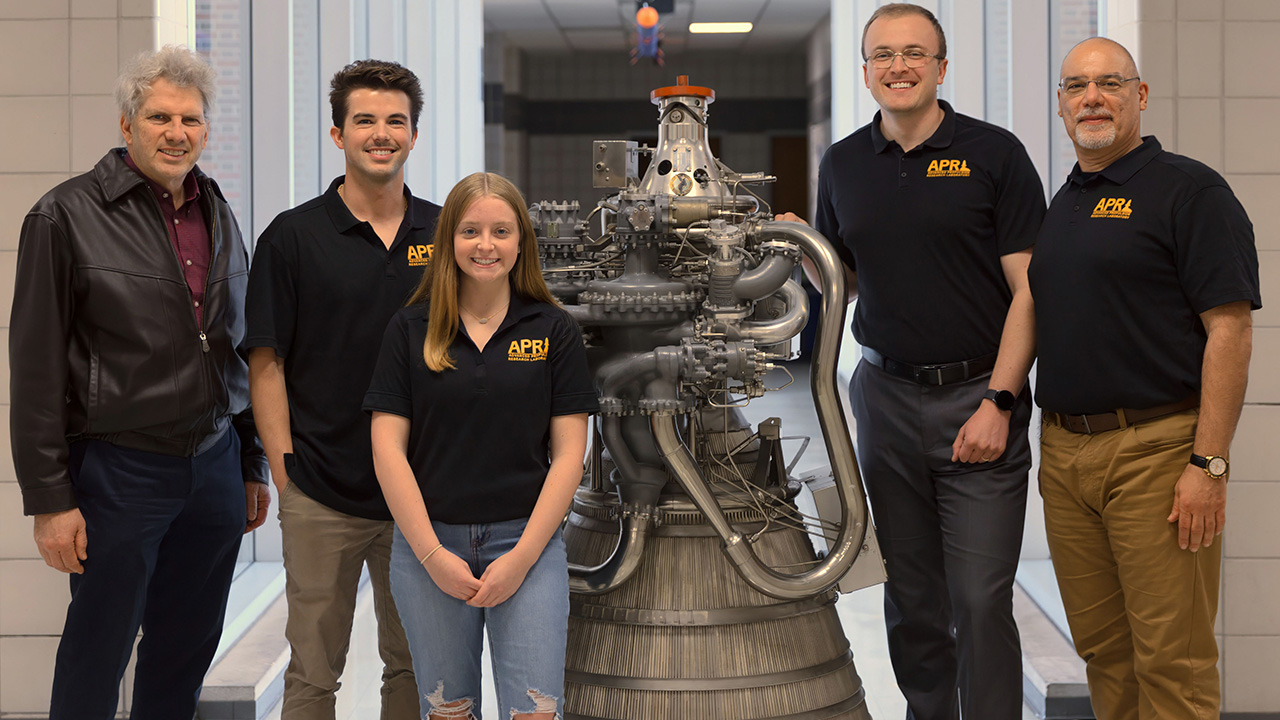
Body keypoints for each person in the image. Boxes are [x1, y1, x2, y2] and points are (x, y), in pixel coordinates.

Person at [778, 4, 1044, 717]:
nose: (899, 66)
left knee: (981, 598)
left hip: (977, 396)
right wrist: (809, 251)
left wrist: (1001, 400)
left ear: (941, 67)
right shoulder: (843, 164)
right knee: (910, 592)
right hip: (884, 396)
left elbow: (1031, 291)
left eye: (915, 54)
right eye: (883, 55)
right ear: (866, 72)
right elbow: (850, 282)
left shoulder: (994, 155)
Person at [9, 45, 269, 719]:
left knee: (184, 648)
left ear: (207, 129)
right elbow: (34, 366)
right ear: (127, 126)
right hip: (118, 472)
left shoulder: (218, 211)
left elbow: (233, 345)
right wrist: (49, 498)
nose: (176, 132)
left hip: (211, 470)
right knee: (99, 648)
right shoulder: (64, 215)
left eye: (189, 119)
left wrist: (249, 462)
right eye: (158, 116)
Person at [1030, 37, 1259, 720]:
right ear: (1062, 105)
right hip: (1067, 456)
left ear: (1141, 96)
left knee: (1172, 659)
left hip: (1155, 454)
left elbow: (1231, 329)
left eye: (1108, 83)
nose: (1091, 98)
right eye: (1076, 86)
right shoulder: (1067, 200)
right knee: (1106, 651)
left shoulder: (1190, 192)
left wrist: (1208, 465)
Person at [245, 59, 440, 719]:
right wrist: (286, 472)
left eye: (395, 121)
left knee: (415, 668)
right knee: (312, 676)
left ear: (414, 135)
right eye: (365, 121)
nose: (380, 133)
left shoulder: (447, 236)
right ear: (338, 135)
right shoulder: (293, 238)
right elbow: (266, 363)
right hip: (323, 491)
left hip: (423, 493)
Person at [364, 172, 596, 720]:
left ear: (522, 243)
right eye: (470, 231)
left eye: (500, 231)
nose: (485, 245)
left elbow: (569, 455)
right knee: (449, 711)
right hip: (430, 547)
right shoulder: (410, 329)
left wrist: (521, 559)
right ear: (448, 240)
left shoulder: (553, 329)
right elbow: (387, 449)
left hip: (528, 546)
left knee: (535, 713)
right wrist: (431, 556)